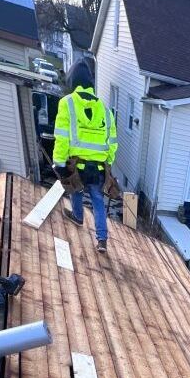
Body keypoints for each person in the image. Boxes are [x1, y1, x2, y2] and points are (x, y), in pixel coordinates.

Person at [53, 60, 118, 252]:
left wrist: (59, 162)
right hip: (98, 168)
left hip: (78, 165)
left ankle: (78, 217)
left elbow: (62, 137)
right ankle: (102, 240)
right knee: (98, 201)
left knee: (75, 189)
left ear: (73, 82)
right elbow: (112, 142)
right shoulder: (105, 110)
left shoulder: (67, 103)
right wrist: (108, 163)